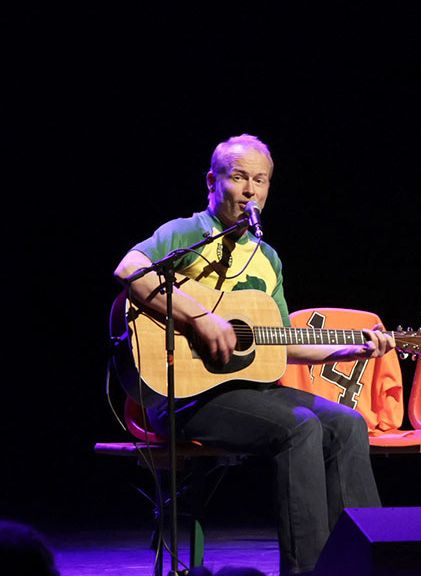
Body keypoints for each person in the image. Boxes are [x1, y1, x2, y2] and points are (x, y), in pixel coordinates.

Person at [114, 134, 395, 575]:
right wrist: (202, 318)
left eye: (260, 181)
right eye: (239, 177)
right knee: (301, 427)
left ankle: (365, 563)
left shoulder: (268, 258)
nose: (250, 191)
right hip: (185, 397)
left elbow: (280, 340)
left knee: (348, 423)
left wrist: (349, 349)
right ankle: (308, 569)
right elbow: (130, 270)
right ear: (213, 182)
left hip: (254, 392)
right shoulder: (187, 232)